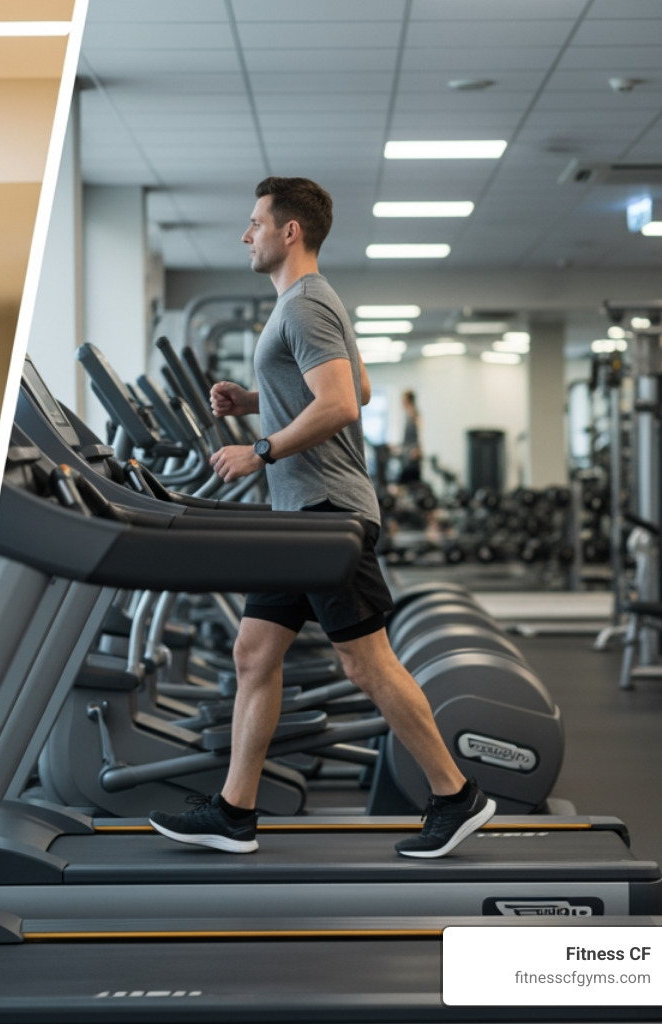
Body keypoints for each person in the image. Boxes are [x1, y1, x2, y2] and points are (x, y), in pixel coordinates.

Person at [146, 177, 495, 859]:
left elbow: (341, 405)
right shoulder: (306, 303)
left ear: (289, 231)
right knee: (254, 653)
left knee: (366, 663)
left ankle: (457, 795)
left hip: (326, 516)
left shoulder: (302, 306)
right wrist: (257, 400)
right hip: (297, 517)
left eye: (254, 223)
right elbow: (356, 385)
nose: (246, 235)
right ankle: (235, 811)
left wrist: (260, 448)